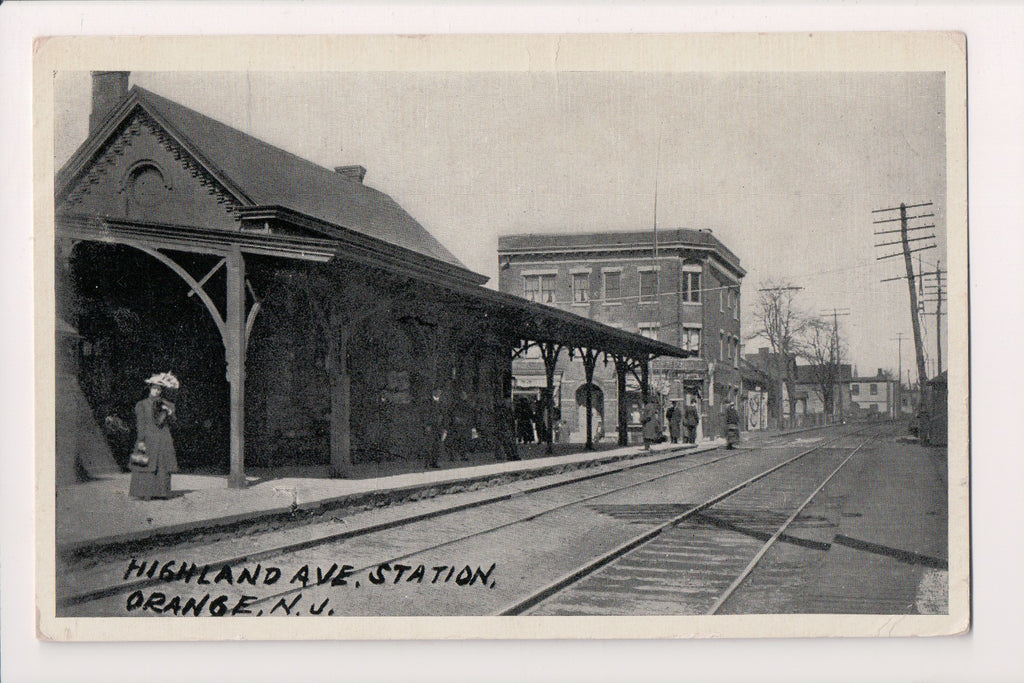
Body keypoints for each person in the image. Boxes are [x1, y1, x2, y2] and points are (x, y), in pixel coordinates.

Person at [129, 372, 180, 500]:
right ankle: (145, 493)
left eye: (159, 389)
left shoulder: (168, 404)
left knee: (162, 465)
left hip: (163, 437)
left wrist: (169, 413)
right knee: (146, 463)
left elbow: (174, 422)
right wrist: (141, 440)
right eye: (154, 388)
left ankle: (162, 493)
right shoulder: (142, 404)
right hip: (148, 437)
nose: (156, 391)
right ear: (150, 389)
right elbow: (140, 423)